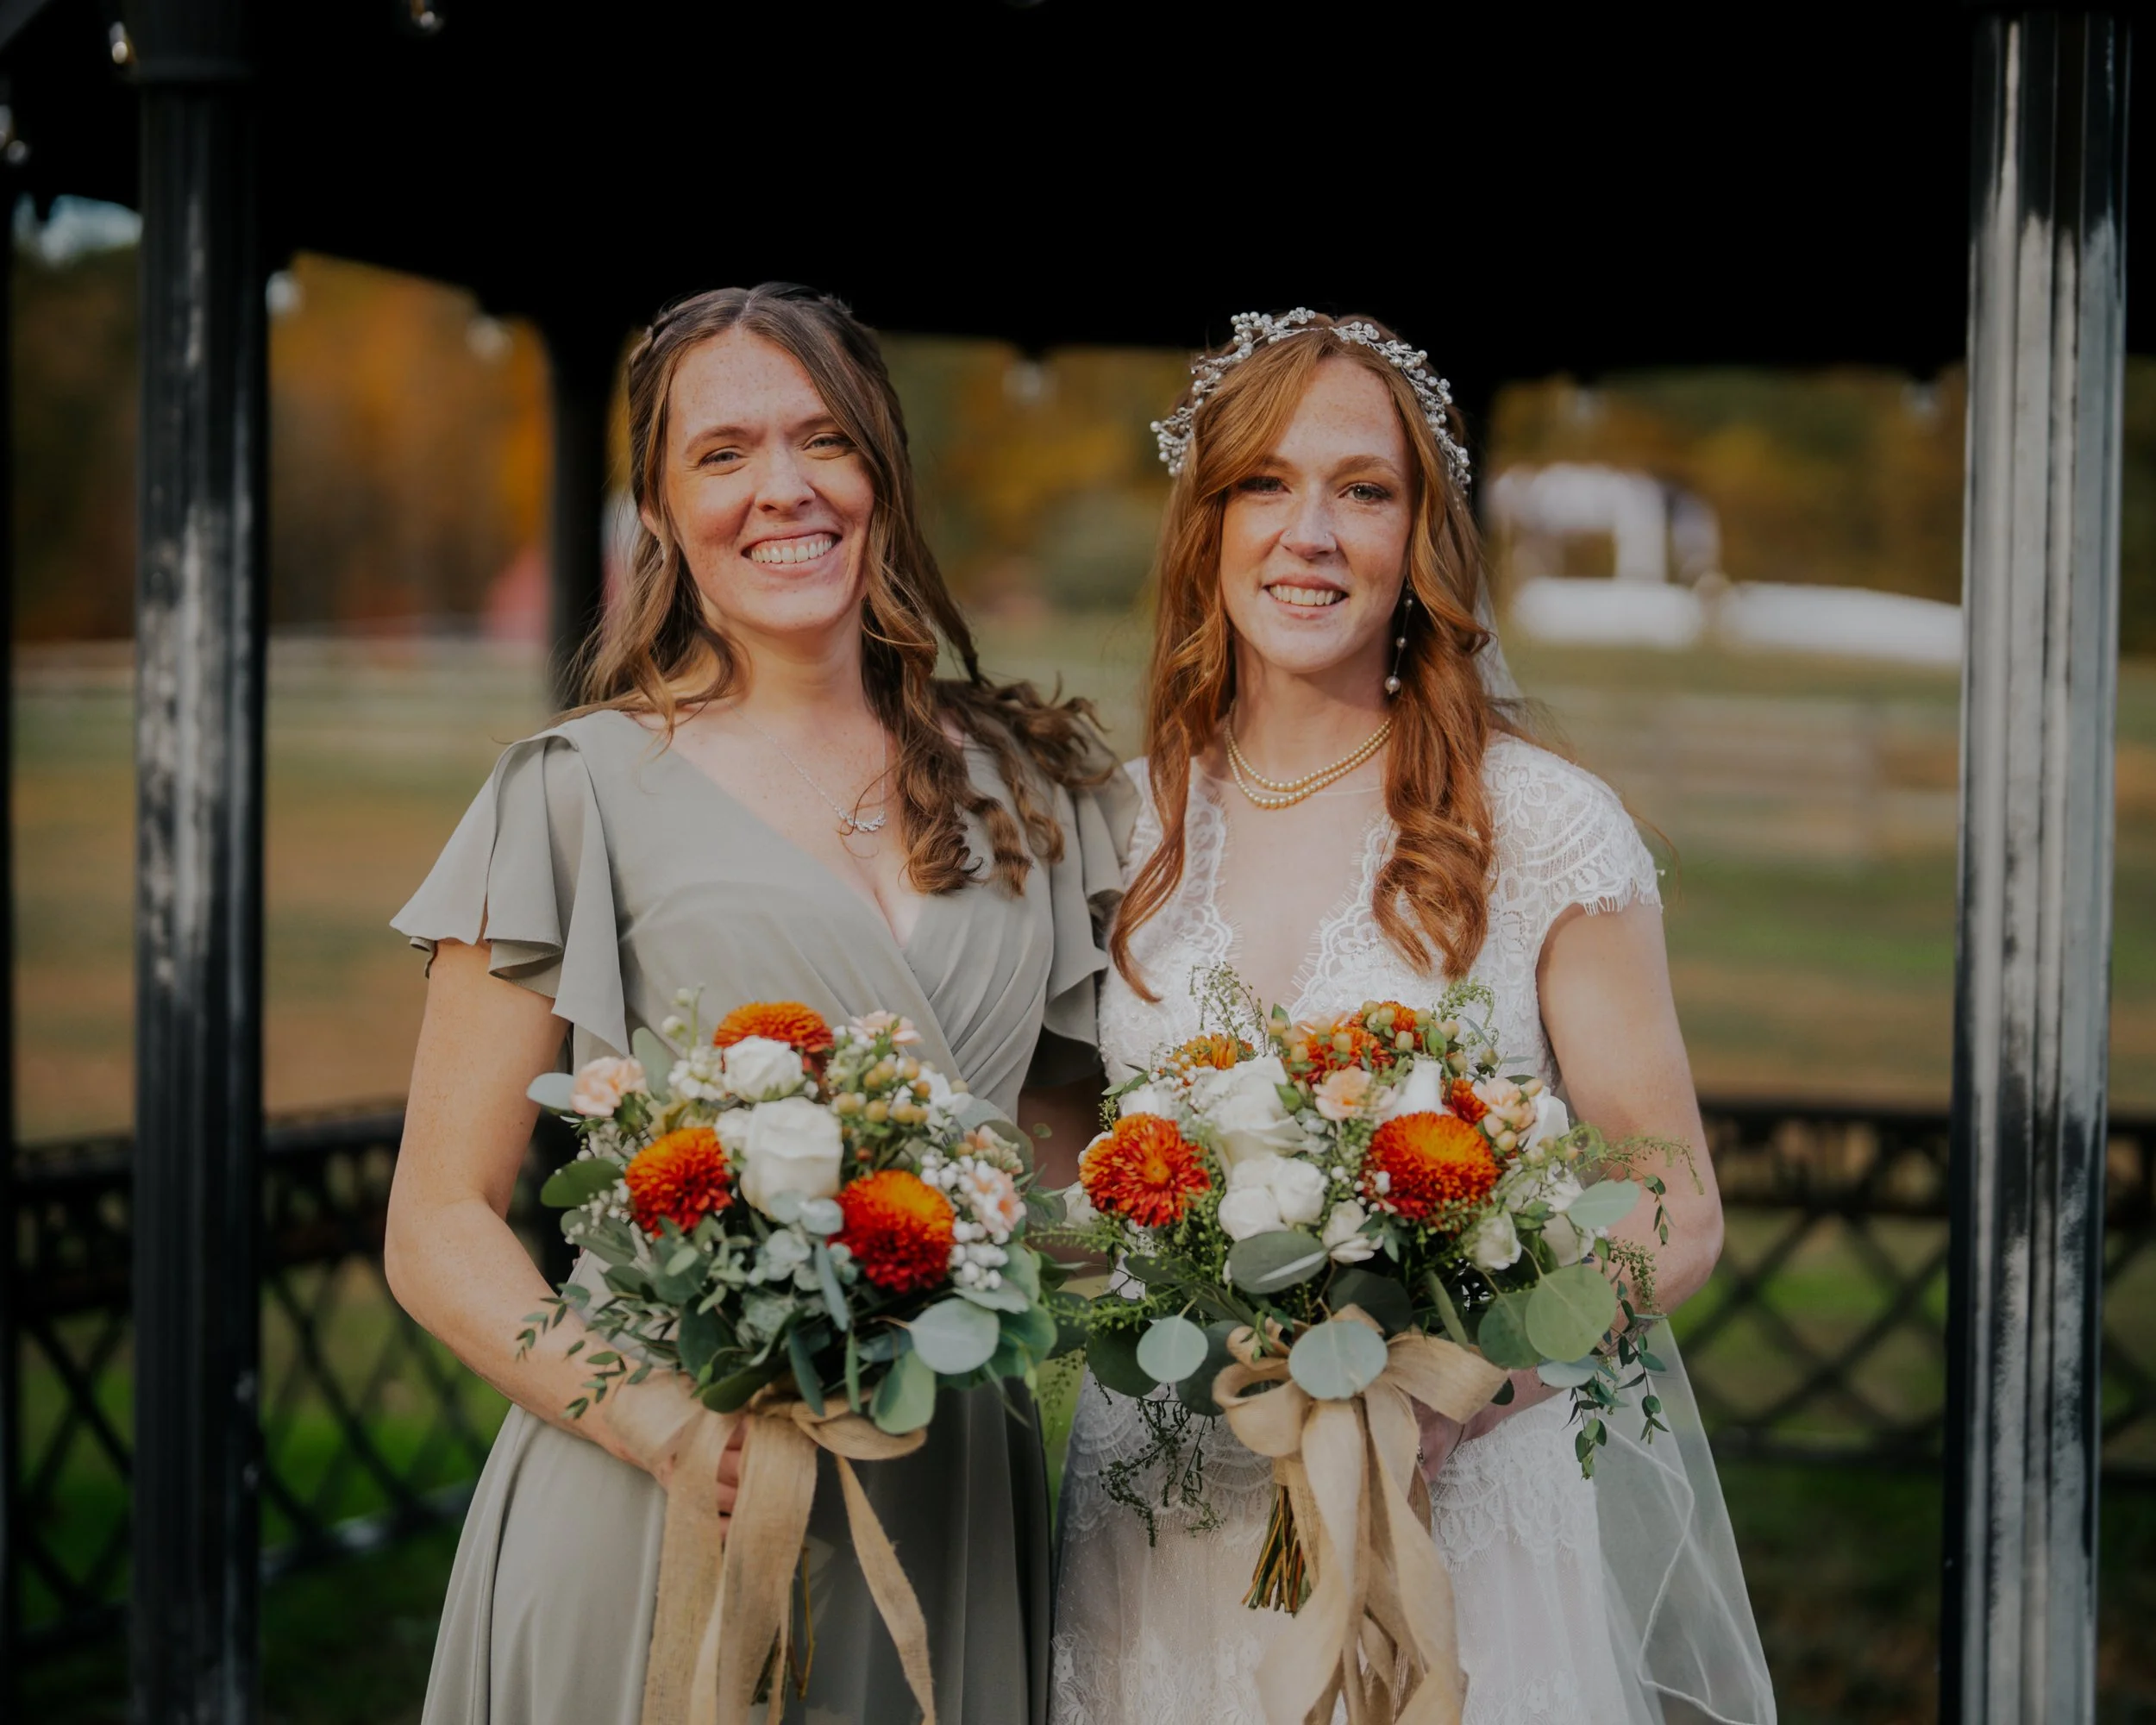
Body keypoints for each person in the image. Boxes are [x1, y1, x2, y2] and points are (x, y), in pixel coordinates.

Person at [385, 282, 1132, 1725]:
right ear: (659, 510)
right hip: (665, 1493)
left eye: (823, 441)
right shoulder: (575, 791)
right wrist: (657, 1425)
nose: (783, 489)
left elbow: (1065, 1168)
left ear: (882, 473)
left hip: (949, 1489)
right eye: (723, 454)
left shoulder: (1035, 789)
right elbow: (437, 1222)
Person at [1046, 310, 1775, 1725]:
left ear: (1417, 538)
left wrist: (1460, 1386)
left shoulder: (1542, 826)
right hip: (1164, 1508)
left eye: (1361, 490)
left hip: (1457, 1509)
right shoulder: (1114, 826)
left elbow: (1669, 1204)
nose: (1308, 532)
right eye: (1263, 483)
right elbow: (1068, 1160)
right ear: (1204, 527)